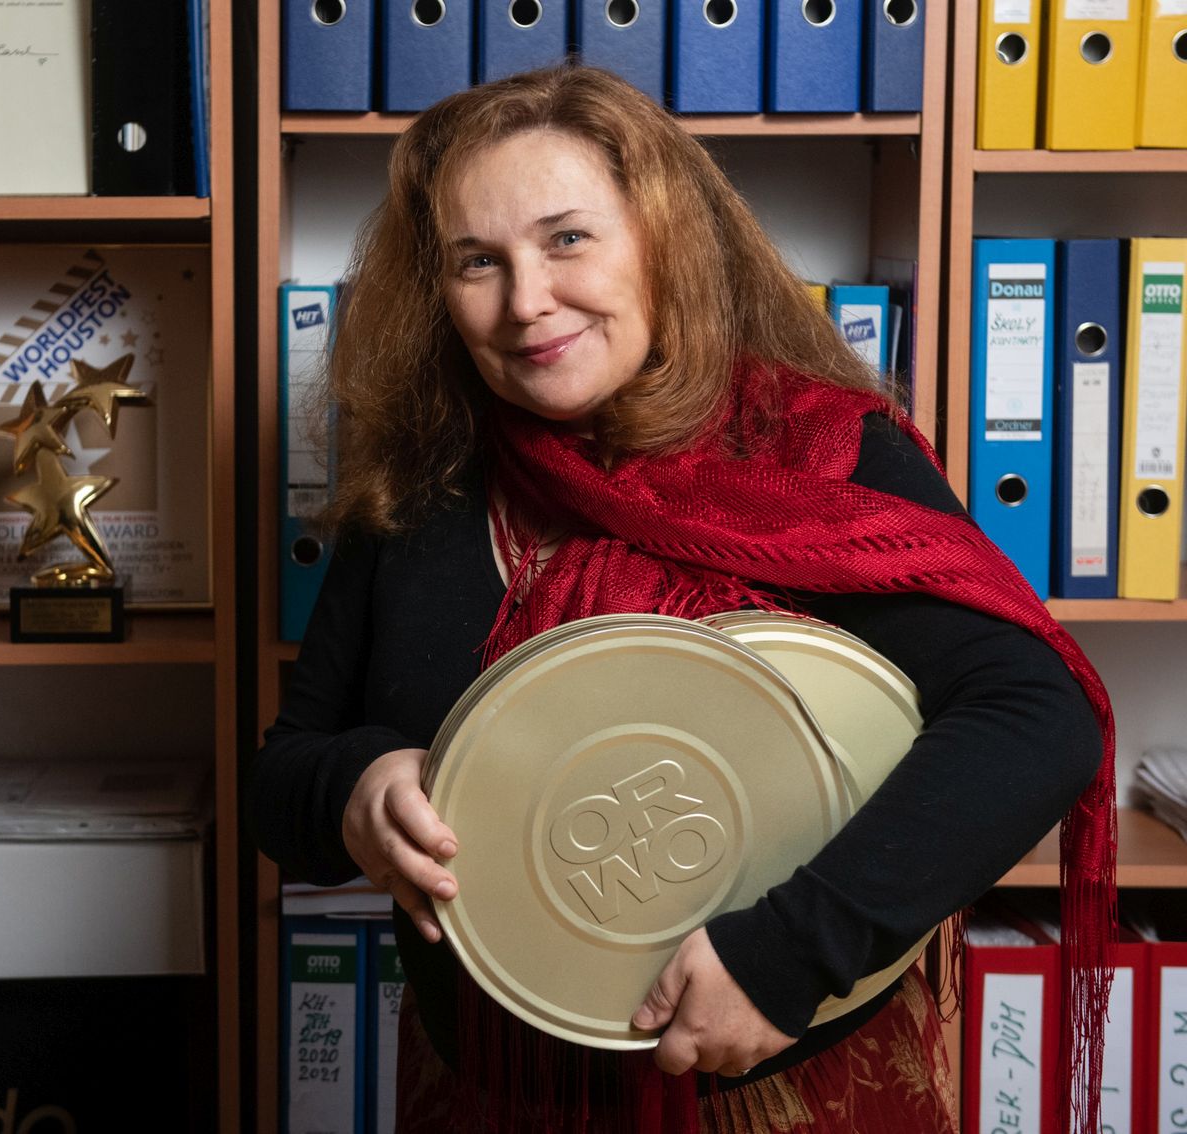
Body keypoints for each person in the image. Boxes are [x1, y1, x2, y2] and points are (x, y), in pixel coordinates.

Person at [250, 64, 1115, 1133]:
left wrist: (784, 958)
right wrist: (354, 786)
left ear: (662, 239)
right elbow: (281, 779)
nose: (526, 301)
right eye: (478, 261)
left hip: (786, 1094)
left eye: (568, 239)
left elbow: (1038, 716)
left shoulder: (821, 456)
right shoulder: (421, 490)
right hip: (487, 1089)